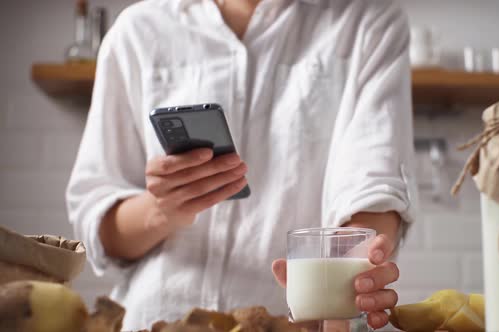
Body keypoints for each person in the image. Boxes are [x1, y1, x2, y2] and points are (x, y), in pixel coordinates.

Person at [66, 0, 417, 330]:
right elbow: (98, 226)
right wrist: (160, 210)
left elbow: (373, 185)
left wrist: (343, 285)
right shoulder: (137, 31)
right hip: (154, 318)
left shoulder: (369, 23)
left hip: (286, 322)